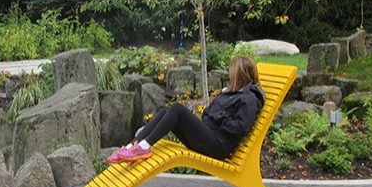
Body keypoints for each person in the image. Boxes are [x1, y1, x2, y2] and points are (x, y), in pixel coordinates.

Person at [107, 56, 264, 164]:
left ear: (240, 75)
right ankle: (132, 146)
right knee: (164, 111)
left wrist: (218, 117)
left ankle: (144, 147)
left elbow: (239, 127)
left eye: (232, 72)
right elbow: (208, 113)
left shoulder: (249, 98)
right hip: (210, 135)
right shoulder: (233, 93)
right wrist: (214, 115)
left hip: (218, 145)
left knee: (177, 109)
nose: (230, 76)